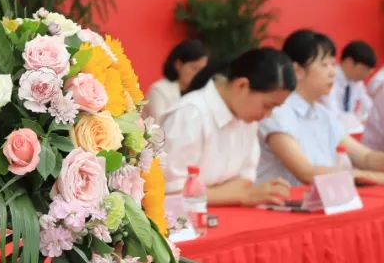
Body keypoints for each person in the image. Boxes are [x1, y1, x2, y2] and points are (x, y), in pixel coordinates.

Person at [162, 48, 294, 206]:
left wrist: (229, 194)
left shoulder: (247, 118)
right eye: (267, 106)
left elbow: (245, 179)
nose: (268, 115)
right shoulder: (190, 114)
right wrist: (238, 195)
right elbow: (171, 191)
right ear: (242, 85)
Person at [257, 30, 384, 187]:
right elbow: (306, 172)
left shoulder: (324, 114)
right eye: (324, 65)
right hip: (284, 200)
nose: (332, 73)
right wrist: (364, 176)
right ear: (297, 71)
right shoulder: (277, 111)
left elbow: (365, 158)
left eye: (333, 64)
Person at [144, 39, 208, 122]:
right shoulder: (159, 90)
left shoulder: (200, 94)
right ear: (178, 64)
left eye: (202, 70)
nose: (198, 74)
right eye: (194, 68)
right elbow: (160, 125)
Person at [325, 40, 377, 124]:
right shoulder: (328, 78)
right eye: (364, 69)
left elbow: (370, 107)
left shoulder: (357, 82)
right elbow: (333, 113)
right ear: (349, 62)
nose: (366, 74)